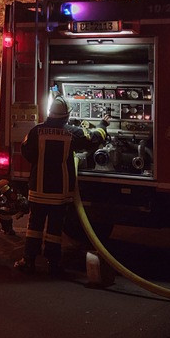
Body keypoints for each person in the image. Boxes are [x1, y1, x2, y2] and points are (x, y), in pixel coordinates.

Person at [14, 96, 106, 276]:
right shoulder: (72, 132)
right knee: (54, 230)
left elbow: (27, 153)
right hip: (59, 191)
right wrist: (102, 124)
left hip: (38, 189)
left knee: (34, 227)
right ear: (67, 115)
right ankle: (53, 264)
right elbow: (94, 139)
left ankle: (29, 260)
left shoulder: (35, 132)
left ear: (49, 113)